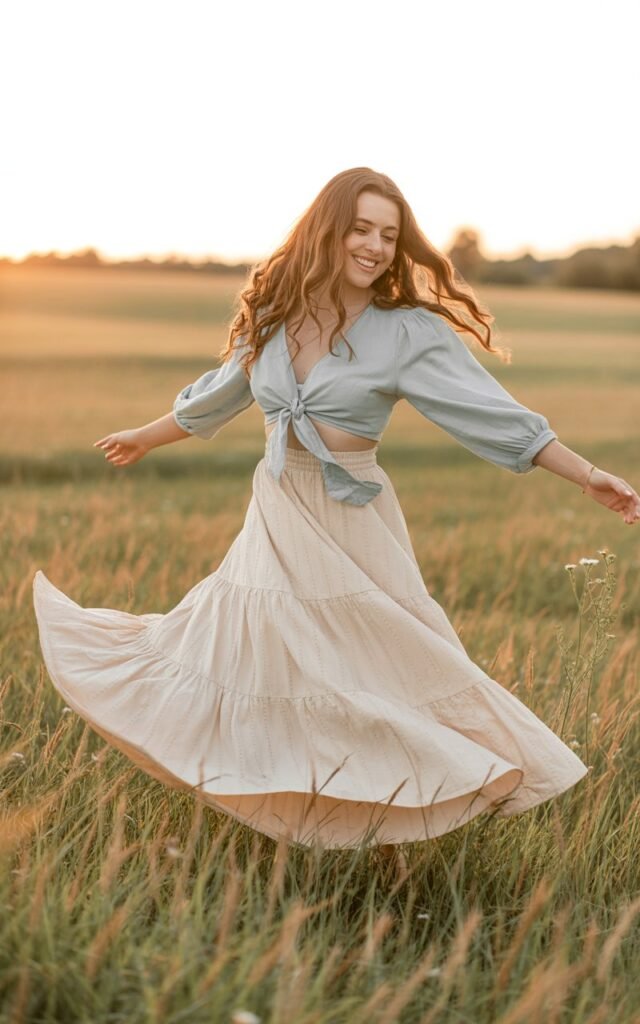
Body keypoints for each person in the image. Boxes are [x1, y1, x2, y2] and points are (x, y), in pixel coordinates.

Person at [32, 168, 640, 853]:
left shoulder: (406, 331)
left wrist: (586, 475)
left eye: (389, 235)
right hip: (278, 508)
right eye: (362, 229)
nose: (377, 247)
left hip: (352, 515)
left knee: (380, 662)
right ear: (327, 230)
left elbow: (493, 416)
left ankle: (446, 786)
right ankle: (290, 811)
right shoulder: (273, 319)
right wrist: (146, 435)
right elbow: (217, 396)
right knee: (265, 659)